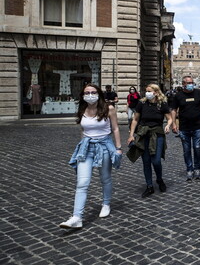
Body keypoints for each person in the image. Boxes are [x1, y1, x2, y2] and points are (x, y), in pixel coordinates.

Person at [59, 84, 121, 229]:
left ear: (98, 94)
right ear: (82, 95)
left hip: (104, 146)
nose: (90, 95)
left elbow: (116, 128)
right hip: (86, 147)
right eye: (87, 92)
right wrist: (81, 145)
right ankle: (77, 217)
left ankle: (106, 204)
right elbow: (83, 129)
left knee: (105, 178)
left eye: (93, 92)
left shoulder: (108, 108)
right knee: (82, 182)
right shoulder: (82, 109)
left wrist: (118, 148)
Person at [127, 84, 173, 198]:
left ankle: (159, 179)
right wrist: (131, 135)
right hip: (143, 134)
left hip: (157, 134)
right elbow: (135, 119)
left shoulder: (162, 104)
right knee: (146, 161)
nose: (147, 93)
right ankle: (149, 186)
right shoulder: (142, 103)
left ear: (156, 92)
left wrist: (168, 125)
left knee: (156, 160)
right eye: (146, 91)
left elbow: (170, 118)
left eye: (149, 91)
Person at [171, 76, 200, 181]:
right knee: (186, 150)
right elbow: (173, 110)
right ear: (183, 84)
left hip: (197, 126)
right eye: (189, 82)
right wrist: (173, 123)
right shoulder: (178, 95)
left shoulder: (198, 93)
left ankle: (197, 169)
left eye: (192, 82)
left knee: (197, 148)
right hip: (184, 127)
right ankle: (189, 169)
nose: (191, 84)